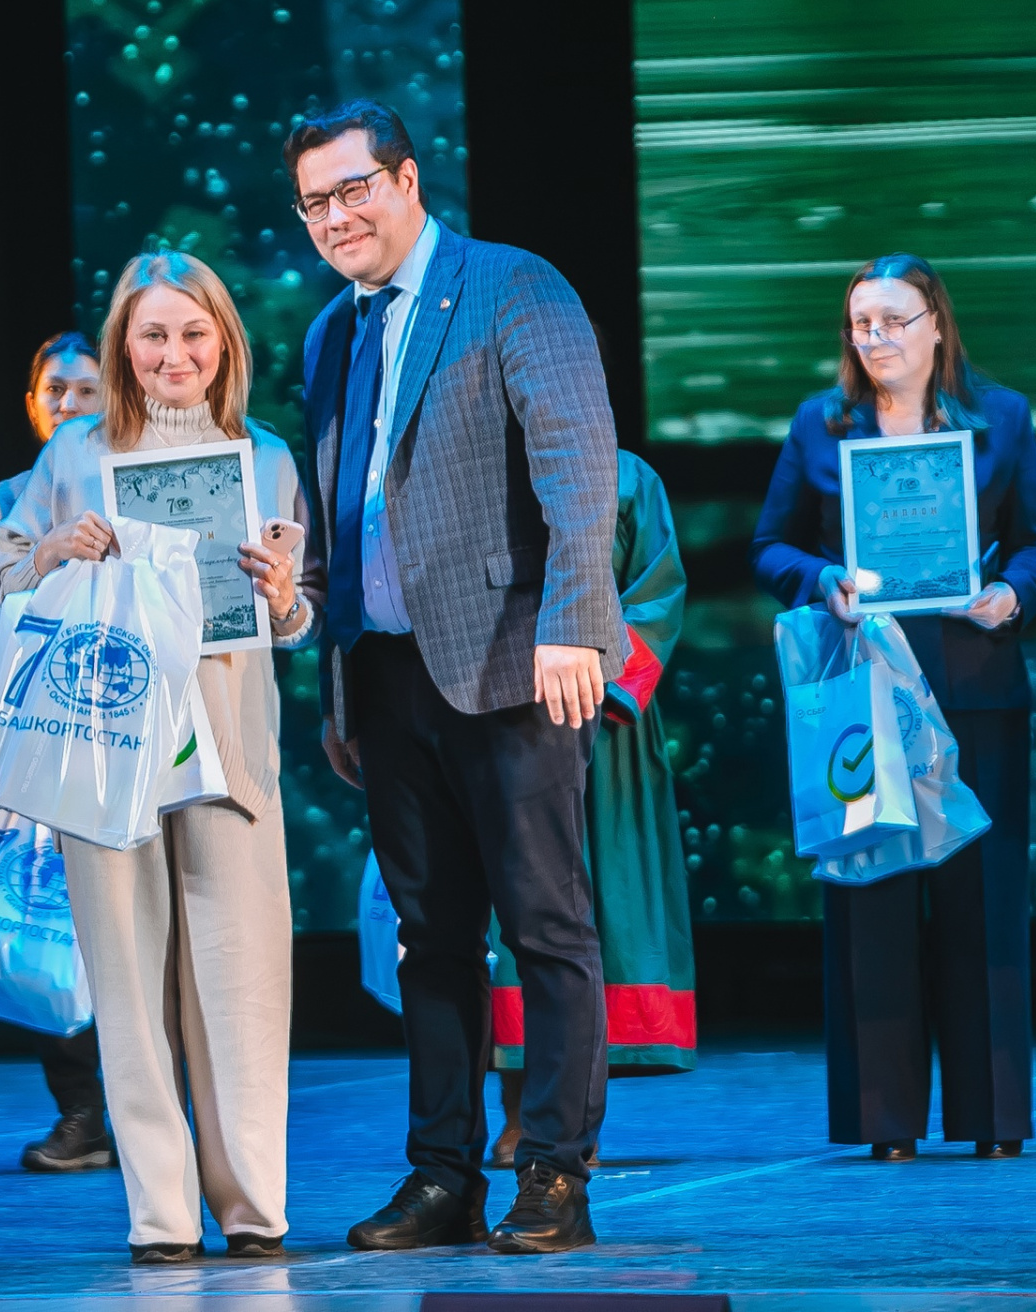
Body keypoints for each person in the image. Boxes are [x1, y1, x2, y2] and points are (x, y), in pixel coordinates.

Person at [292, 99, 623, 1255]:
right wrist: (338, 687)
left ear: (407, 180)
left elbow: (579, 462)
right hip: (386, 673)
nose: (337, 217)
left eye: (354, 189)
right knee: (428, 941)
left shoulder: (511, 285)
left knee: (546, 925)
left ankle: (555, 1172)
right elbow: (340, 518)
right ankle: (442, 1177)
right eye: (315, 202)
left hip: (515, 661)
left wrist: (577, 623)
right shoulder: (329, 334)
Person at [0, 251, 321, 1263]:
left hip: (229, 741)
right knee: (130, 988)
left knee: (242, 977)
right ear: (122, 346)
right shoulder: (74, 453)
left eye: (192, 332)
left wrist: (284, 598)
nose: (173, 354)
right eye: (152, 335)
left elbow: (299, 615)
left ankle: (252, 1205)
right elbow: (4, 571)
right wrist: (55, 551)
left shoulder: (265, 455)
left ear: (224, 341)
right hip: (107, 742)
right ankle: (162, 1216)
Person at [750, 254, 1036, 1161]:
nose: (874, 338)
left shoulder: (1003, 416)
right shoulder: (821, 423)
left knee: (982, 905)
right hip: (864, 692)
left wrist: (1012, 595)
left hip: (976, 683)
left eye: (891, 320)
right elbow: (770, 546)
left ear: (935, 323)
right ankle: (886, 1122)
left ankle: (992, 1118)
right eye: (860, 324)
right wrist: (823, 580)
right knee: (872, 901)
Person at [487, 446, 695, 1167]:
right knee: (508, 910)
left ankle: (570, 1115)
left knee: (592, 912)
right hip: (502, 708)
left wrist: (606, 683)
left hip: (600, 717)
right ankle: (517, 1110)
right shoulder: (481, 464)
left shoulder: (627, 476)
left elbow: (657, 590)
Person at [0, 331, 113, 1172]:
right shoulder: (7, 502)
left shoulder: (127, 484)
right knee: (46, 920)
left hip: (120, 737)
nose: (68, 404)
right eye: (54, 390)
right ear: (31, 404)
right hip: (37, 739)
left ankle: (150, 1111)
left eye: (86, 389)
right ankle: (81, 1111)